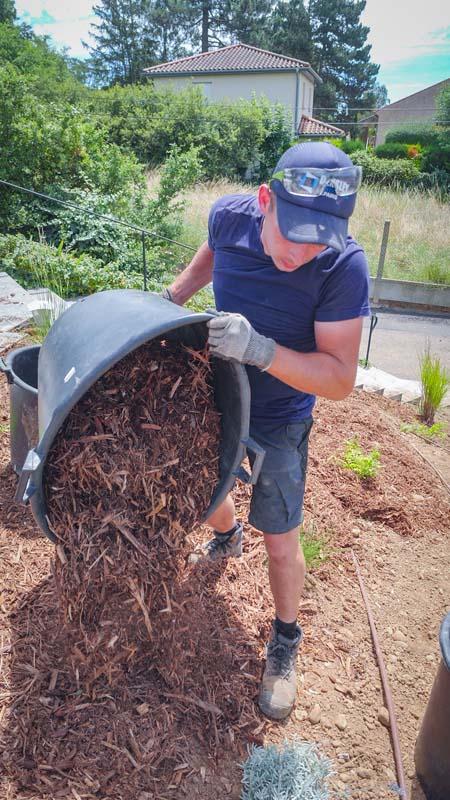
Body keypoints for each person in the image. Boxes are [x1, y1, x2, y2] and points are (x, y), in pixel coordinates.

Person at [161, 141, 370, 721]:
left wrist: (261, 349)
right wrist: (174, 298)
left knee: (280, 537)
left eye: (318, 238)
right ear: (263, 201)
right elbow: (211, 254)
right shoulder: (230, 216)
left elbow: (338, 379)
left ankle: (284, 641)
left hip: (281, 418)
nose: (302, 251)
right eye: (293, 231)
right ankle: (226, 539)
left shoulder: (344, 266)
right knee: (207, 493)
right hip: (218, 394)